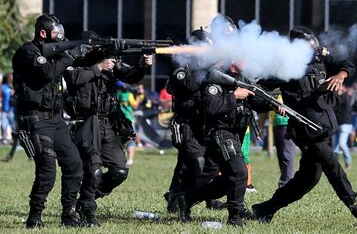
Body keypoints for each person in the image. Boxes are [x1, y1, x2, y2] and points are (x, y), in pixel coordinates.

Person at [252, 27, 357, 226]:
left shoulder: (320, 59)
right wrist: (274, 104)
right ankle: (356, 208)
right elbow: (257, 91)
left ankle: (265, 208)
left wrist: (341, 75)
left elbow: (347, 64)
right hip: (306, 130)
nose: (313, 52)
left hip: (325, 127)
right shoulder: (283, 67)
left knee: (309, 178)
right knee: (332, 165)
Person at [63, 31, 152, 226]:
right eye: (94, 45)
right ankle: (87, 210)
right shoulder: (73, 59)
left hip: (107, 124)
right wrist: (98, 67)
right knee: (93, 171)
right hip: (85, 123)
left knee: (119, 171)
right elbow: (73, 79)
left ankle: (87, 198)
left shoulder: (109, 62)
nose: (98, 49)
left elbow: (130, 76)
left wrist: (142, 64)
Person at [12, 14, 85, 228]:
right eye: (55, 33)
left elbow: (80, 62)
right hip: (34, 119)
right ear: (43, 33)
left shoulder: (57, 54)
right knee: (47, 172)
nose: (60, 37)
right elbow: (46, 73)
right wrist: (70, 56)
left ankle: (69, 215)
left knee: (74, 164)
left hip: (55, 119)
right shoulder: (28, 52)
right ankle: (34, 217)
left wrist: (101, 52)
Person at [175, 63, 270, 226]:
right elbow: (212, 107)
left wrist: (272, 103)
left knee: (226, 182)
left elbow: (258, 103)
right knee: (240, 172)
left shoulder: (244, 79)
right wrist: (234, 96)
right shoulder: (215, 78)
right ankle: (235, 215)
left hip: (235, 134)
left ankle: (186, 199)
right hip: (219, 133)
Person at [164, 29, 222, 213]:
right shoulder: (182, 69)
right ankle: (184, 197)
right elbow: (189, 86)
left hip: (204, 123)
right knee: (197, 162)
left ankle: (177, 196)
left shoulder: (206, 69)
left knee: (192, 164)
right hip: (185, 123)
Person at [333, 85, 353, 169]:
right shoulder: (336, 97)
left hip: (345, 124)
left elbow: (337, 102)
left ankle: (348, 162)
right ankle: (334, 164)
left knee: (342, 144)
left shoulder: (344, 97)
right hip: (337, 124)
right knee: (335, 147)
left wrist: (334, 94)